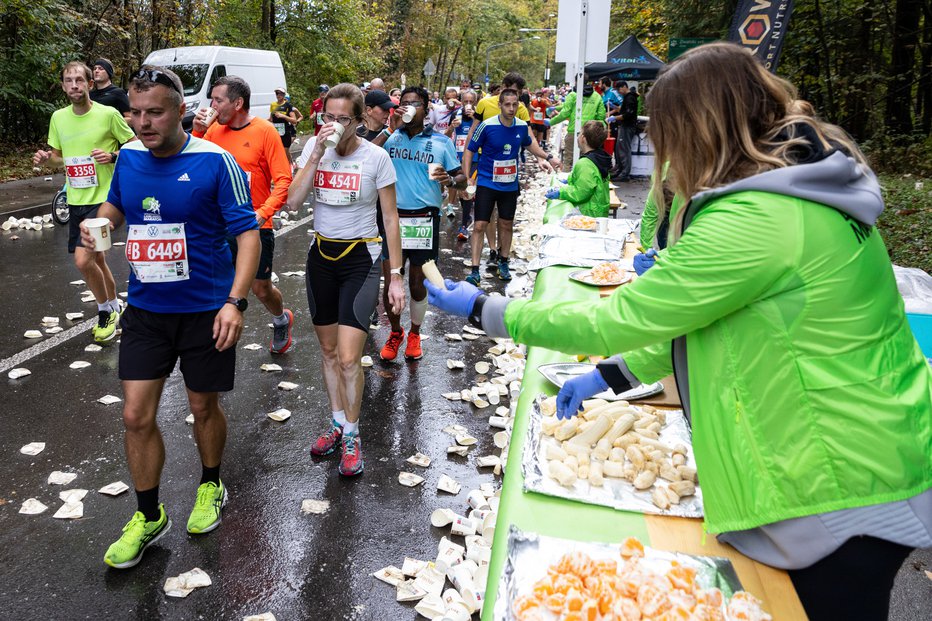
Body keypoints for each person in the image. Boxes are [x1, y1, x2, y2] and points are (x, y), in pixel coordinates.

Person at [425, 43, 932, 621]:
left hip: (836, 481)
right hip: (861, 459)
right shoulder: (797, 196)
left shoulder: (757, 220)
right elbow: (706, 324)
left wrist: (488, 311)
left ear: (698, 131)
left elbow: (615, 318)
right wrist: (610, 374)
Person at [84, 65, 260, 569]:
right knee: (135, 415)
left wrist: (235, 301)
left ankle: (210, 484)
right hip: (145, 309)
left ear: (181, 111)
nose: (143, 122)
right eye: (135, 112)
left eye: (154, 112)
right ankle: (148, 514)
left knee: (203, 408)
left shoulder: (214, 161)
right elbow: (116, 205)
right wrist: (100, 223)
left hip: (205, 311)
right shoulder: (130, 157)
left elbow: (246, 234)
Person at [287, 83, 405, 476]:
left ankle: (353, 434)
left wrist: (396, 275)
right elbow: (293, 200)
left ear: (358, 121)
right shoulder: (314, 150)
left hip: (361, 258)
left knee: (351, 356)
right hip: (321, 255)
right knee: (329, 354)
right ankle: (337, 421)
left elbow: (390, 218)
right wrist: (317, 152)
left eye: (341, 119)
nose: (333, 125)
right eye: (327, 117)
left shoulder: (376, 158)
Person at [191, 76, 295, 354]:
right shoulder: (212, 131)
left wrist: (262, 214)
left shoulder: (265, 131)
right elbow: (188, 162)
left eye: (218, 100)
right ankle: (215, 337)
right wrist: (197, 131)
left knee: (261, 289)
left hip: (254, 225)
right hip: (216, 225)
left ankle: (281, 318)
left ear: (238, 103)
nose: (211, 106)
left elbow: (284, 180)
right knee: (218, 285)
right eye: (211, 100)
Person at [33, 61, 135, 344]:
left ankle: (104, 312)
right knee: (97, 259)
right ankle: (114, 305)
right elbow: (58, 157)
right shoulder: (59, 118)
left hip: (105, 200)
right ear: (63, 86)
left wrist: (112, 155)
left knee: (82, 259)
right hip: (77, 197)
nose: (74, 85)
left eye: (80, 80)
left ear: (90, 84)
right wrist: (46, 159)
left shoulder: (108, 114)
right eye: (69, 80)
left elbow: (135, 143)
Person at [379, 86, 465, 361]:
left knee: (417, 283)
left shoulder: (441, 143)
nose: (409, 107)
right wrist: (390, 128)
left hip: (424, 220)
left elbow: (461, 176)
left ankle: (414, 332)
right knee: (390, 283)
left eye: (415, 103)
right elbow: (366, 153)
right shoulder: (392, 139)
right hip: (393, 219)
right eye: (404, 103)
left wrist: (450, 181)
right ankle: (395, 333)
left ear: (426, 109)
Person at [462, 88, 556, 285]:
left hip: (509, 185)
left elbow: (530, 144)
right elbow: (469, 150)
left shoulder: (521, 126)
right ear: (500, 105)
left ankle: (504, 261)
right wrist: (468, 178)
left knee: (506, 224)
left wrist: (547, 157)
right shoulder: (487, 126)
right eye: (507, 104)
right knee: (480, 225)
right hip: (487, 182)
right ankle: (475, 269)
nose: (511, 108)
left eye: (515, 105)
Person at [544, 120, 611, 218]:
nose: (578, 136)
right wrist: (570, 179)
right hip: (598, 209)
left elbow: (581, 193)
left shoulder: (585, 163)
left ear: (583, 138)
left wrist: (560, 193)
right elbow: (591, 181)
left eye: (579, 134)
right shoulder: (600, 156)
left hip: (589, 213)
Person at [547, 76, 607, 172]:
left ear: (576, 81)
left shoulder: (573, 95)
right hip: (590, 133)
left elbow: (565, 113)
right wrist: (556, 108)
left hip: (573, 131)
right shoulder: (597, 96)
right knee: (587, 160)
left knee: (568, 161)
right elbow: (601, 117)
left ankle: (567, 183)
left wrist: (550, 122)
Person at [452, 90, 479, 240]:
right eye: (465, 101)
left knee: (468, 189)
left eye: (471, 101)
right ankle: (467, 215)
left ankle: (463, 226)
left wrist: (475, 118)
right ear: (461, 101)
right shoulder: (456, 115)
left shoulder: (479, 117)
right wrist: (452, 127)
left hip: (474, 159)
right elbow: (447, 133)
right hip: (458, 159)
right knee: (462, 192)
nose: (468, 104)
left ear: (475, 102)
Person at [608, 81, 639, 181]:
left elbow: (628, 114)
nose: (619, 92)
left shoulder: (630, 98)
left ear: (624, 87)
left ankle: (625, 173)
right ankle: (620, 170)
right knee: (619, 149)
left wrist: (615, 118)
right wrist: (615, 107)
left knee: (624, 150)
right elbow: (623, 110)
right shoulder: (628, 97)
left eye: (619, 89)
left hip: (627, 126)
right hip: (624, 126)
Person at [269, 86, 299, 165]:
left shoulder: (288, 105)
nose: (278, 95)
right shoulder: (273, 105)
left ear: (284, 94)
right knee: (278, 152)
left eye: (280, 93)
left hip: (286, 132)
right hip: (276, 133)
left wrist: (283, 116)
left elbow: (294, 121)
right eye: (277, 93)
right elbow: (271, 119)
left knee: (285, 152)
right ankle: (285, 167)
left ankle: (290, 166)